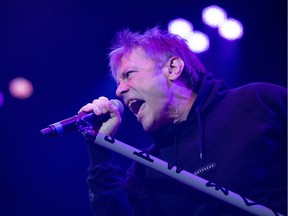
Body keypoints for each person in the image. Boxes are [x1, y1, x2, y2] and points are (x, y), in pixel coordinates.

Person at [78, 26, 287, 216]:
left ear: (173, 69)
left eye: (129, 74)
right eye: (118, 82)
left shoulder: (259, 102)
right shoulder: (146, 169)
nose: (119, 90)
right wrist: (100, 148)